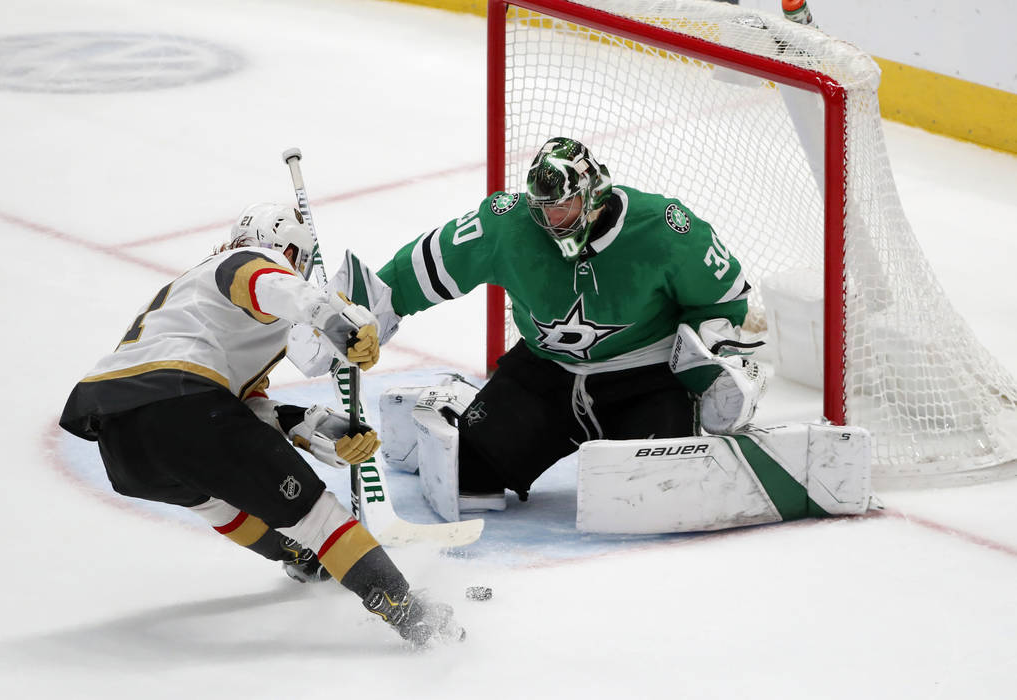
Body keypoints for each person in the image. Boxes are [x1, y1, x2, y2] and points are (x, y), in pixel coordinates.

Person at [59, 202, 461, 646]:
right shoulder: (253, 263)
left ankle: (303, 558)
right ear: (290, 249)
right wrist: (336, 322)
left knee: (214, 496)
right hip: (183, 403)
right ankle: (411, 614)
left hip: (122, 442)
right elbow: (273, 286)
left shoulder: (196, 296)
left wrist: (318, 427)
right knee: (316, 514)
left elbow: (241, 413)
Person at [300, 137, 766, 519]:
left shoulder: (665, 229)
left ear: (594, 194)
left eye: (562, 207)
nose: (549, 220)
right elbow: (421, 269)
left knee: (649, 501)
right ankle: (452, 402)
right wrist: (358, 316)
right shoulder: (508, 224)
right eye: (541, 208)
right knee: (468, 482)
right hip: (546, 372)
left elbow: (723, 301)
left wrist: (708, 373)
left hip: (643, 379)